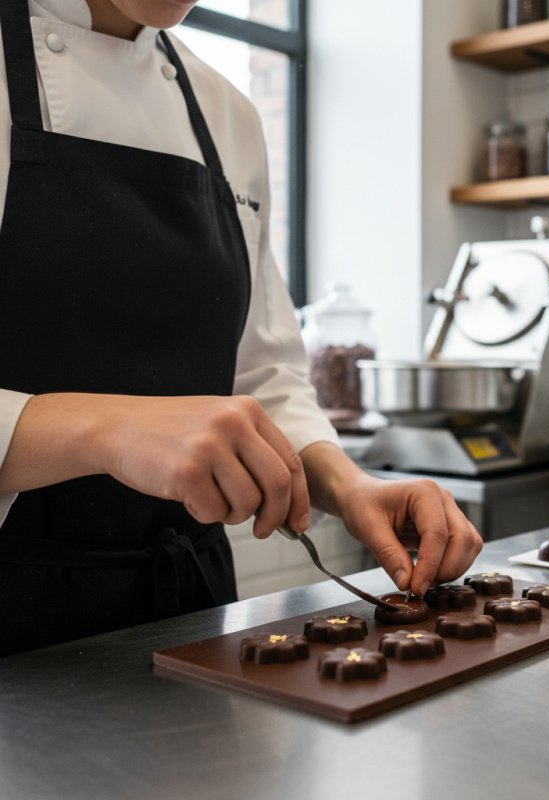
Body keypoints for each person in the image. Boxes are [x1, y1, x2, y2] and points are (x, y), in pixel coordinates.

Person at [0, 0, 482, 657]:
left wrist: (350, 486)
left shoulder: (226, 113)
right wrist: (104, 429)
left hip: (192, 615)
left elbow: (264, 374)